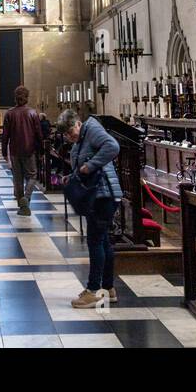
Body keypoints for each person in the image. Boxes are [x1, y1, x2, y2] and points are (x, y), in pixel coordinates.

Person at [58, 109, 122, 308]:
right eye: (66, 135)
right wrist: (74, 176)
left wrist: (90, 166)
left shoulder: (92, 128)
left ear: (78, 123)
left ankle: (93, 291)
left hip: (104, 195)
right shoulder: (82, 137)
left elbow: (113, 147)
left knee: (95, 241)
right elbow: (82, 163)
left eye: (70, 132)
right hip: (98, 195)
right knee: (102, 241)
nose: (69, 137)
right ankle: (108, 289)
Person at [1, 86, 43, 216]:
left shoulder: (9, 113)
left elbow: (5, 135)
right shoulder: (32, 113)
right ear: (27, 97)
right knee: (32, 175)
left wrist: (4, 151)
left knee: (17, 178)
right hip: (29, 149)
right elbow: (38, 134)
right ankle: (27, 197)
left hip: (14, 150)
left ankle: (22, 206)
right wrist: (41, 150)